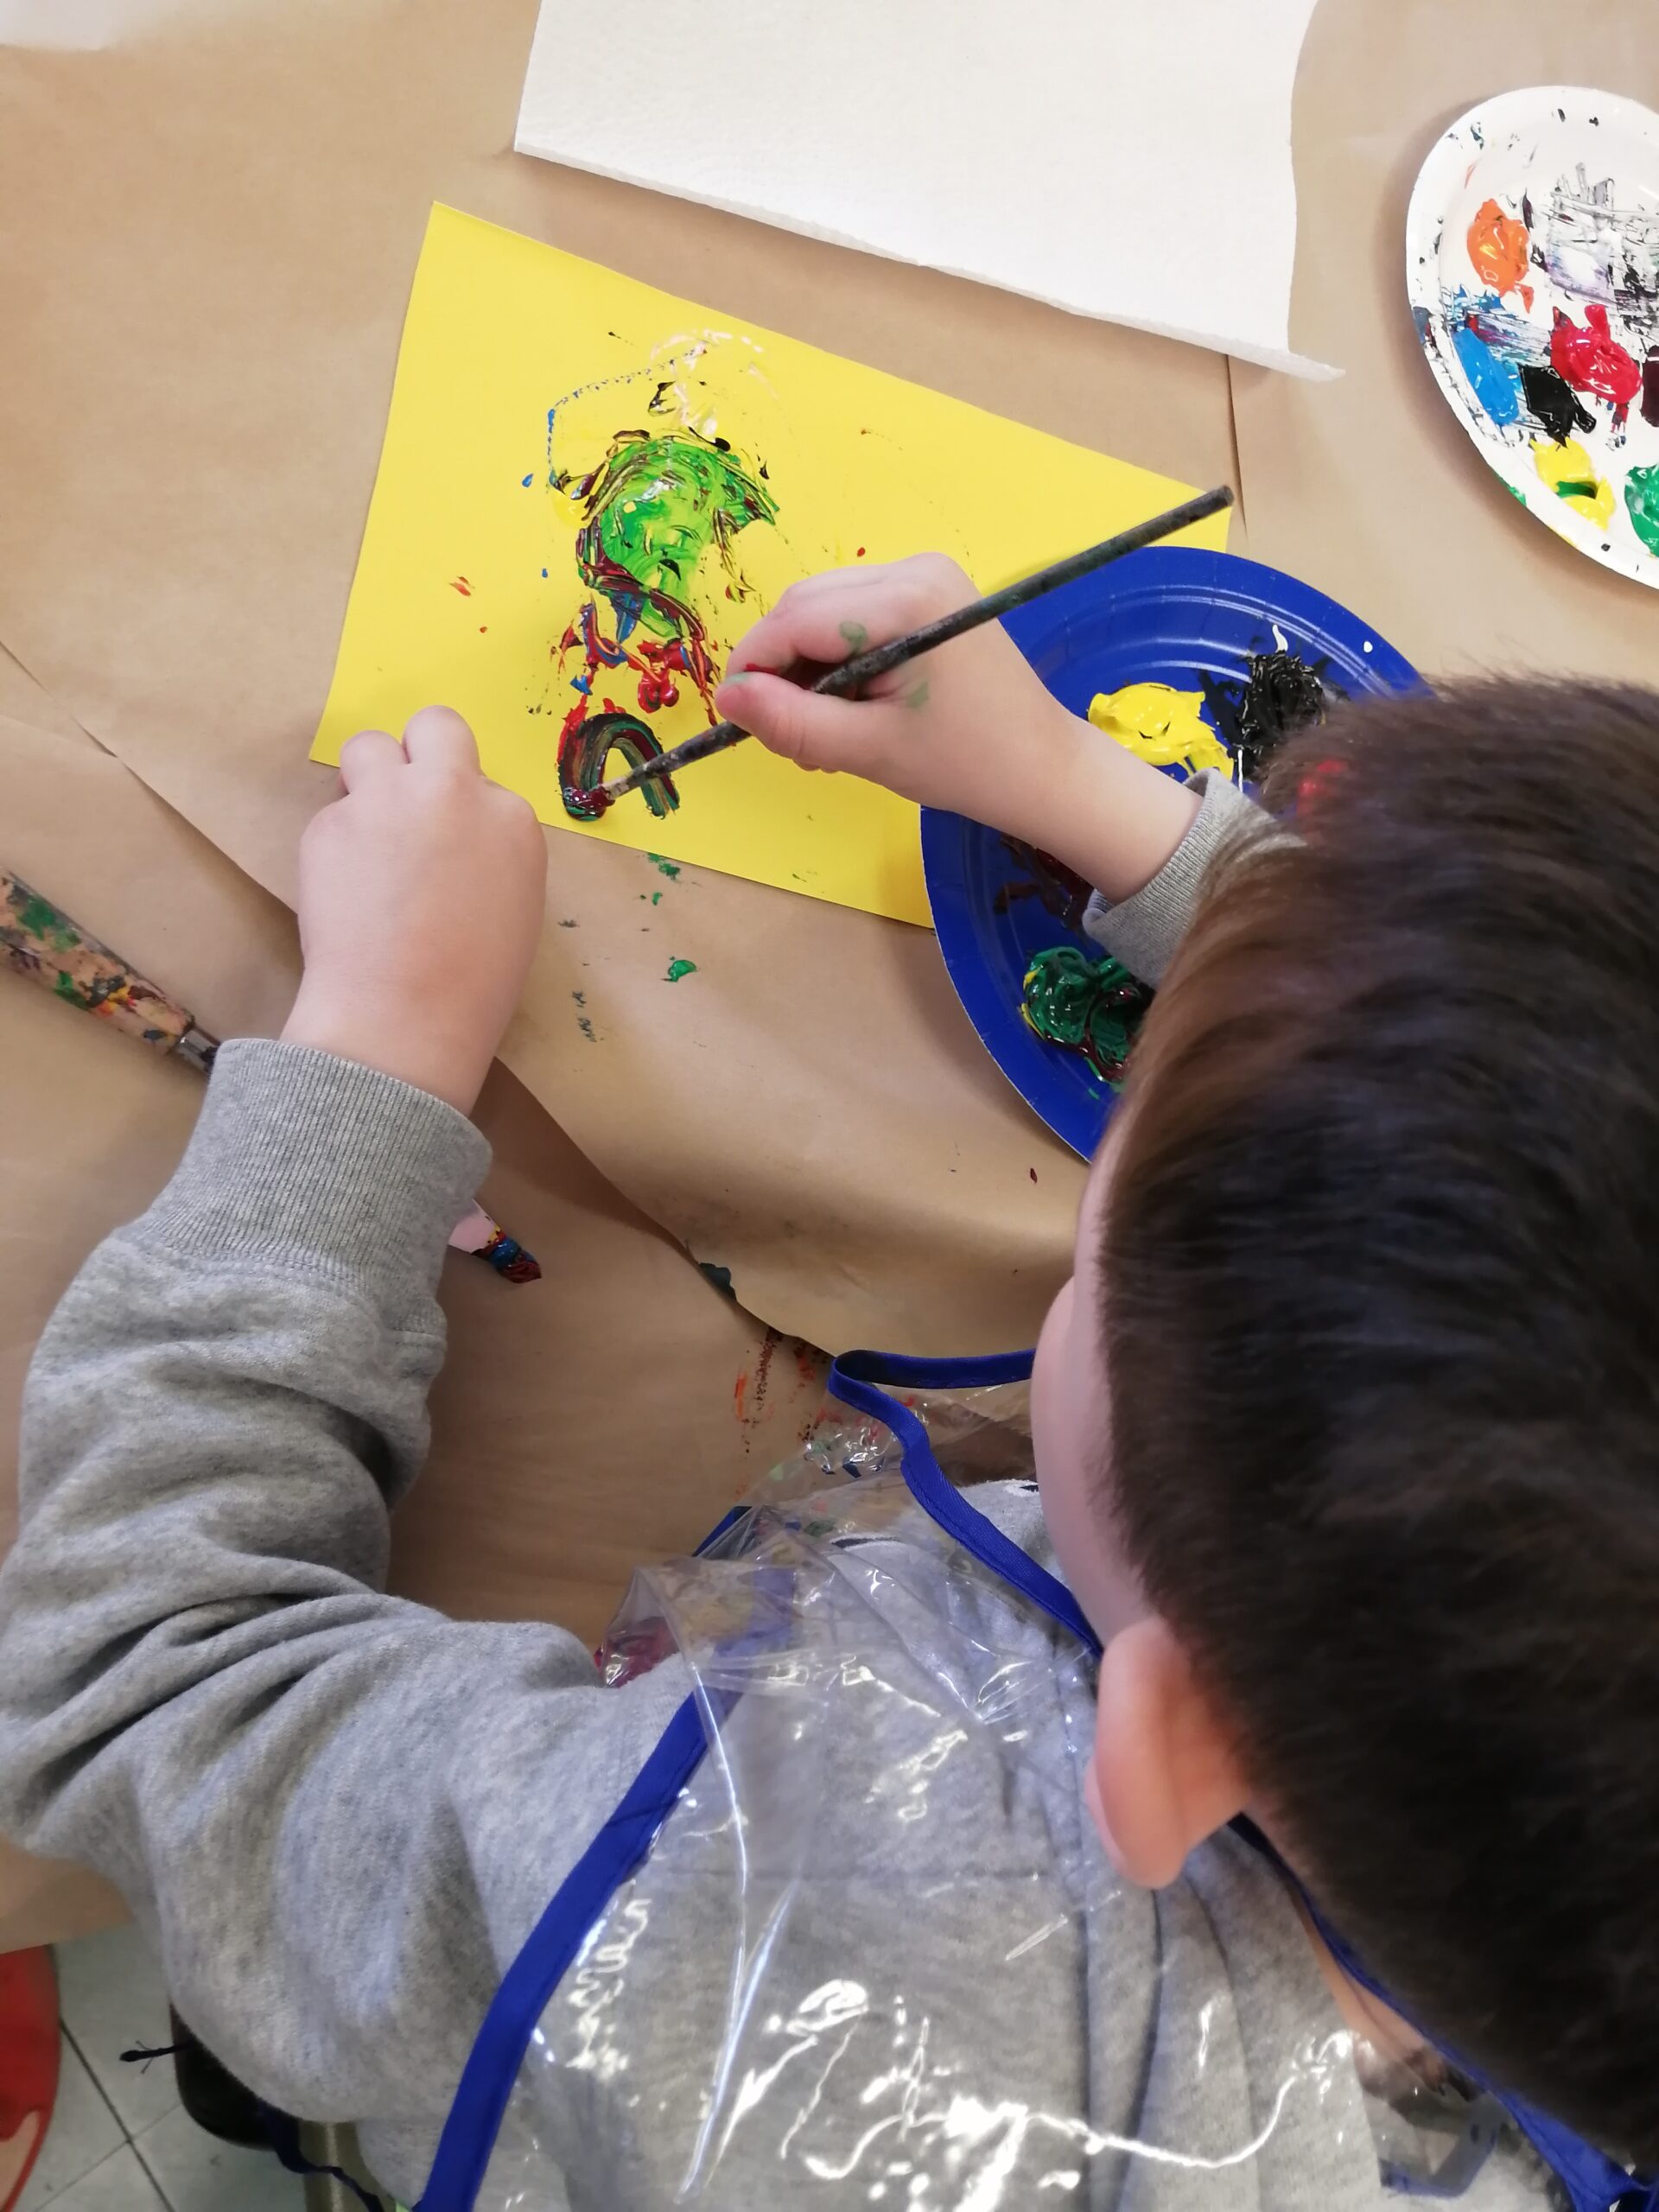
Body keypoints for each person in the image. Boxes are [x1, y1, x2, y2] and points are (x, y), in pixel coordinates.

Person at [0, 554, 1652, 2212]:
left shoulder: (805, 1936)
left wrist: (378, 1051)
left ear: (1171, 1747)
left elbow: (146, 1673)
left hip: (511, 2007)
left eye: (1113, 1206)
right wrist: (1103, 802)